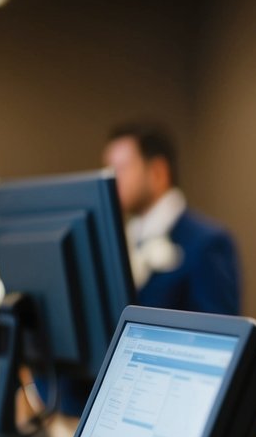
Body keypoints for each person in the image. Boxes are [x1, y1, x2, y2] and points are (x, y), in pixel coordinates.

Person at [103, 121, 241, 315]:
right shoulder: (119, 240)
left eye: (122, 168)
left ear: (158, 172)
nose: (112, 180)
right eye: (109, 169)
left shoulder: (207, 242)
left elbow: (221, 334)